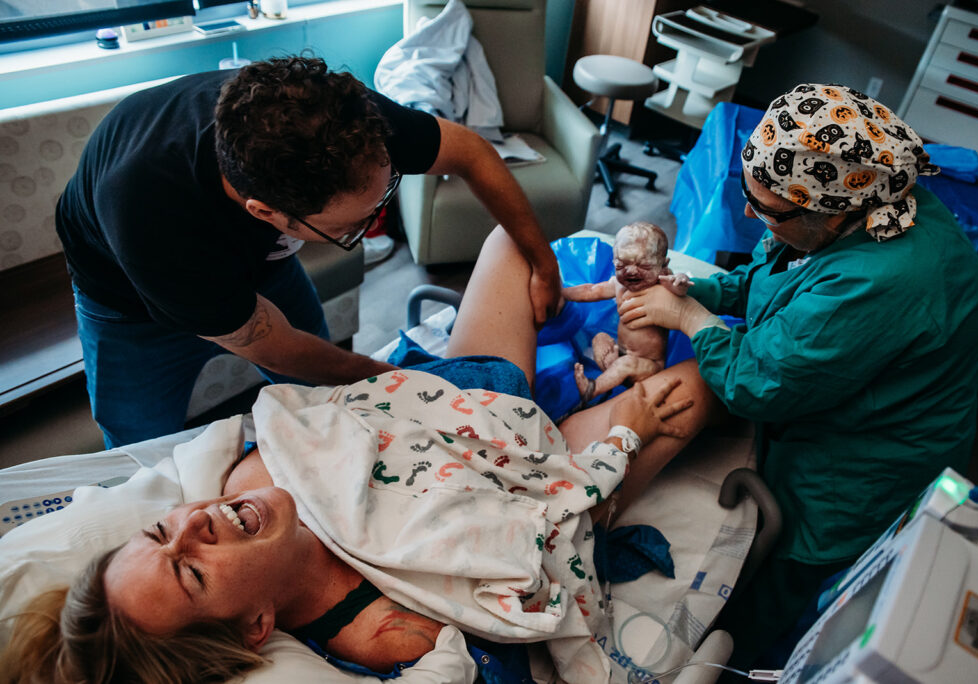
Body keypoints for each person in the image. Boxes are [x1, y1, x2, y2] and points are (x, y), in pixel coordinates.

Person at [0, 226, 721, 684]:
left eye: (163, 531)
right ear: (256, 625)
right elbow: (536, 560)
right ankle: (614, 383)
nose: (196, 523)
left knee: (511, 243)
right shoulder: (388, 630)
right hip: (551, 469)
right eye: (191, 569)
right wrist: (617, 438)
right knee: (708, 379)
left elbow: (369, 404)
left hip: (473, 396)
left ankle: (594, 352)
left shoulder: (236, 474)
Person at [617, 83, 978, 668]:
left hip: (857, 479)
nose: (747, 213)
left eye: (765, 208)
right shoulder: (853, 206)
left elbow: (756, 383)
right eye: (749, 193)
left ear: (833, 206)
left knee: (768, 611)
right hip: (841, 393)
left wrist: (690, 320)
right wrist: (702, 290)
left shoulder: (886, 276)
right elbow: (781, 279)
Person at [57, 55, 562, 448]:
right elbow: (272, 345)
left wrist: (543, 262)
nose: (369, 230)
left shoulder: (343, 121)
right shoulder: (150, 214)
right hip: (127, 303)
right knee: (139, 443)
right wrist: (409, 382)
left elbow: (472, 153)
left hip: (258, 262)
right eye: (351, 228)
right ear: (266, 213)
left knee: (330, 396)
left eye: (383, 200)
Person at [562, 221, 690, 402]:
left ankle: (593, 387)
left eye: (644, 266)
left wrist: (680, 281)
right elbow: (591, 291)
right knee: (599, 338)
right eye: (621, 265)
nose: (630, 271)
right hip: (621, 352)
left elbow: (680, 291)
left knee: (627, 364)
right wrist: (561, 293)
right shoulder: (619, 284)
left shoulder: (663, 284)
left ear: (663, 265)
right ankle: (611, 371)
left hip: (648, 366)